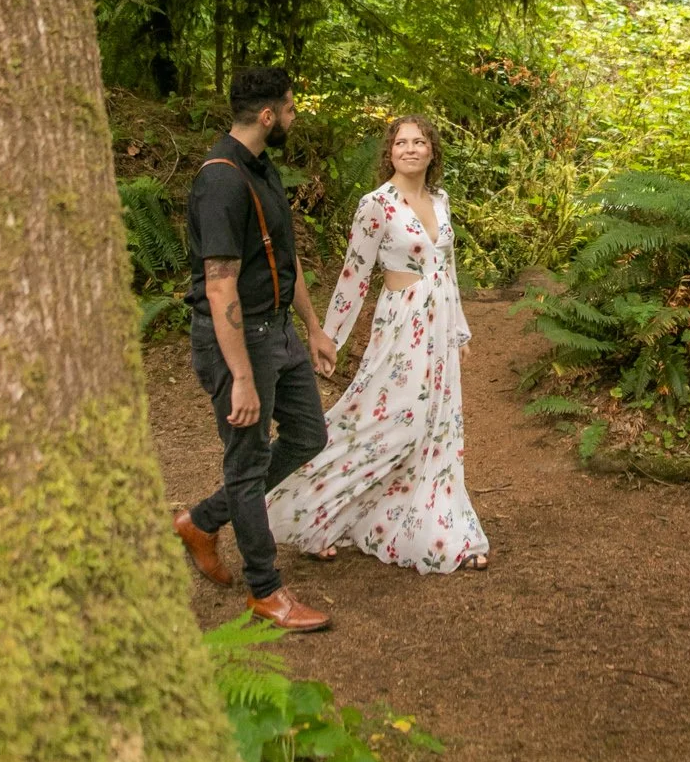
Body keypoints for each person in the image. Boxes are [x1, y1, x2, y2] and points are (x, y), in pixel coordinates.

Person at [266, 114, 490, 573]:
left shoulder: (442, 201)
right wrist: (329, 338)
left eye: (419, 141)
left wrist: (461, 330)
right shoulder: (377, 205)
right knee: (385, 423)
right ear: (389, 152)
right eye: (401, 142)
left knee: (438, 427)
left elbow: (446, 272)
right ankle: (309, 510)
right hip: (403, 326)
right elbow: (353, 277)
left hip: (440, 327)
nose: (410, 148)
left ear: (432, 151)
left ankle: (443, 529)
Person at [173, 66, 338, 630]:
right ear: (267, 115)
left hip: (280, 333)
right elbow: (220, 285)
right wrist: (240, 374)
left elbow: (283, 259)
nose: (294, 114)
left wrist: (313, 327)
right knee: (245, 463)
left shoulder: (264, 169)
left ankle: (202, 521)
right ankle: (265, 590)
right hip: (238, 342)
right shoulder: (220, 180)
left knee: (309, 435)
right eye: (290, 107)